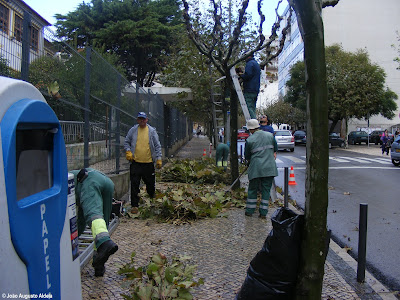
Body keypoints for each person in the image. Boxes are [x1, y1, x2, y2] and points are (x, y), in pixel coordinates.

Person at [70, 168, 118, 277]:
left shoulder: (65, 184)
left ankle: (105, 242)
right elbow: (81, 221)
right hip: (107, 182)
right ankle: (99, 265)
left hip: (88, 180)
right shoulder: (73, 182)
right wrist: (74, 237)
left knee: (93, 213)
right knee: (101, 224)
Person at [124, 112, 162, 214]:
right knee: (134, 185)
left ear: (146, 120)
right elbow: (127, 141)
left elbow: (157, 146)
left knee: (150, 184)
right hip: (136, 163)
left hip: (148, 163)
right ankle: (134, 206)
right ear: (137, 120)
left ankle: (151, 202)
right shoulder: (133, 130)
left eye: (143, 119)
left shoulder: (152, 131)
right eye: (140, 119)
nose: (141, 121)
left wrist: (158, 158)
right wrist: (128, 151)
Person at [244, 119, 278, 219]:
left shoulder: (250, 140)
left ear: (250, 129)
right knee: (266, 190)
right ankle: (263, 213)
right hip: (269, 168)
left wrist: (249, 161)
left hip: (256, 168)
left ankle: (250, 211)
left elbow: (247, 156)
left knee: (253, 189)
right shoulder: (270, 136)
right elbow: (275, 149)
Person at [238, 54, 261, 119]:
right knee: (252, 108)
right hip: (255, 89)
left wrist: (241, 76)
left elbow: (248, 75)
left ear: (248, 56)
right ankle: (254, 122)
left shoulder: (250, 64)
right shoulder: (256, 64)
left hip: (249, 89)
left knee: (249, 108)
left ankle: (253, 124)